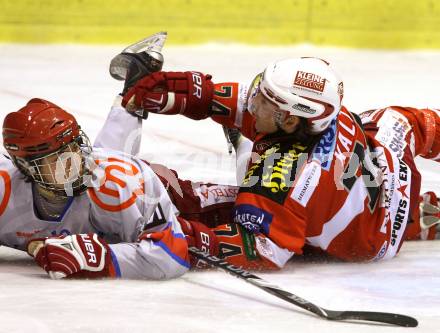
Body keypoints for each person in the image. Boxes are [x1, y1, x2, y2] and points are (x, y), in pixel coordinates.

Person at [119, 57, 440, 269]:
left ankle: (413, 219)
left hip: (369, 238)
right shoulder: (322, 115)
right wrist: (183, 89)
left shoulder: (280, 179)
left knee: (206, 204)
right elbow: (239, 102)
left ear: (289, 122)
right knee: (407, 121)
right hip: (386, 167)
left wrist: (197, 239)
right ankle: (418, 216)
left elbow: (265, 249)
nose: (252, 98)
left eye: (264, 99)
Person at [0, 96, 195, 279]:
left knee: (203, 232)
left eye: (74, 147)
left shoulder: (122, 181)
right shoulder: (4, 191)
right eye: (56, 159)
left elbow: (171, 255)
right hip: (106, 186)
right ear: (26, 166)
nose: (73, 162)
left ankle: (128, 103)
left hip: (168, 190)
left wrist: (103, 258)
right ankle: (127, 104)